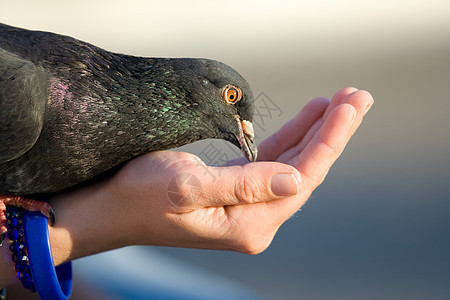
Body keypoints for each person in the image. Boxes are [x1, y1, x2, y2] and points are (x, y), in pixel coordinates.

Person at [0, 87, 373, 288]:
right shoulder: (24, 92)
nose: (246, 130)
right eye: (230, 98)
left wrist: (109, 212)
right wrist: (113, 218)